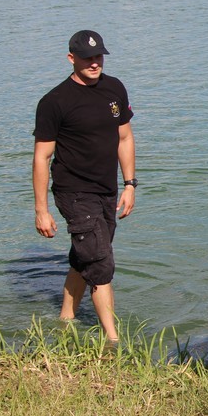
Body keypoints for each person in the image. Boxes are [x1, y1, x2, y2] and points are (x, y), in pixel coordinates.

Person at [33, 30, 137, 343]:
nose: (94, 63)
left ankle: (65, 318)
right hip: (74, 193)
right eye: (88, 58)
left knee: (85, 257)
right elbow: (42, 157)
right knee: (101, 263)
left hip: (106, 189)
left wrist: (130, 184)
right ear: (71, 59)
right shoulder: (55, 102)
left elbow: (125, 137)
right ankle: (113, 340)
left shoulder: (114, 88)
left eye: (99, 56)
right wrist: (41, 210)